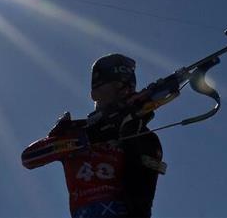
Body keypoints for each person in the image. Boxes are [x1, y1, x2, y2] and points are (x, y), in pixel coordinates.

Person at [21, 54, 167, 218]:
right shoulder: (75, 130)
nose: (125, 91)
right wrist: (89, 137)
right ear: (95, 92)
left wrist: (133, 136)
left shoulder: (146, 138)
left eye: (130, 87)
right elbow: (29, 158)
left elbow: (142, 200)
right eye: (117, 84)